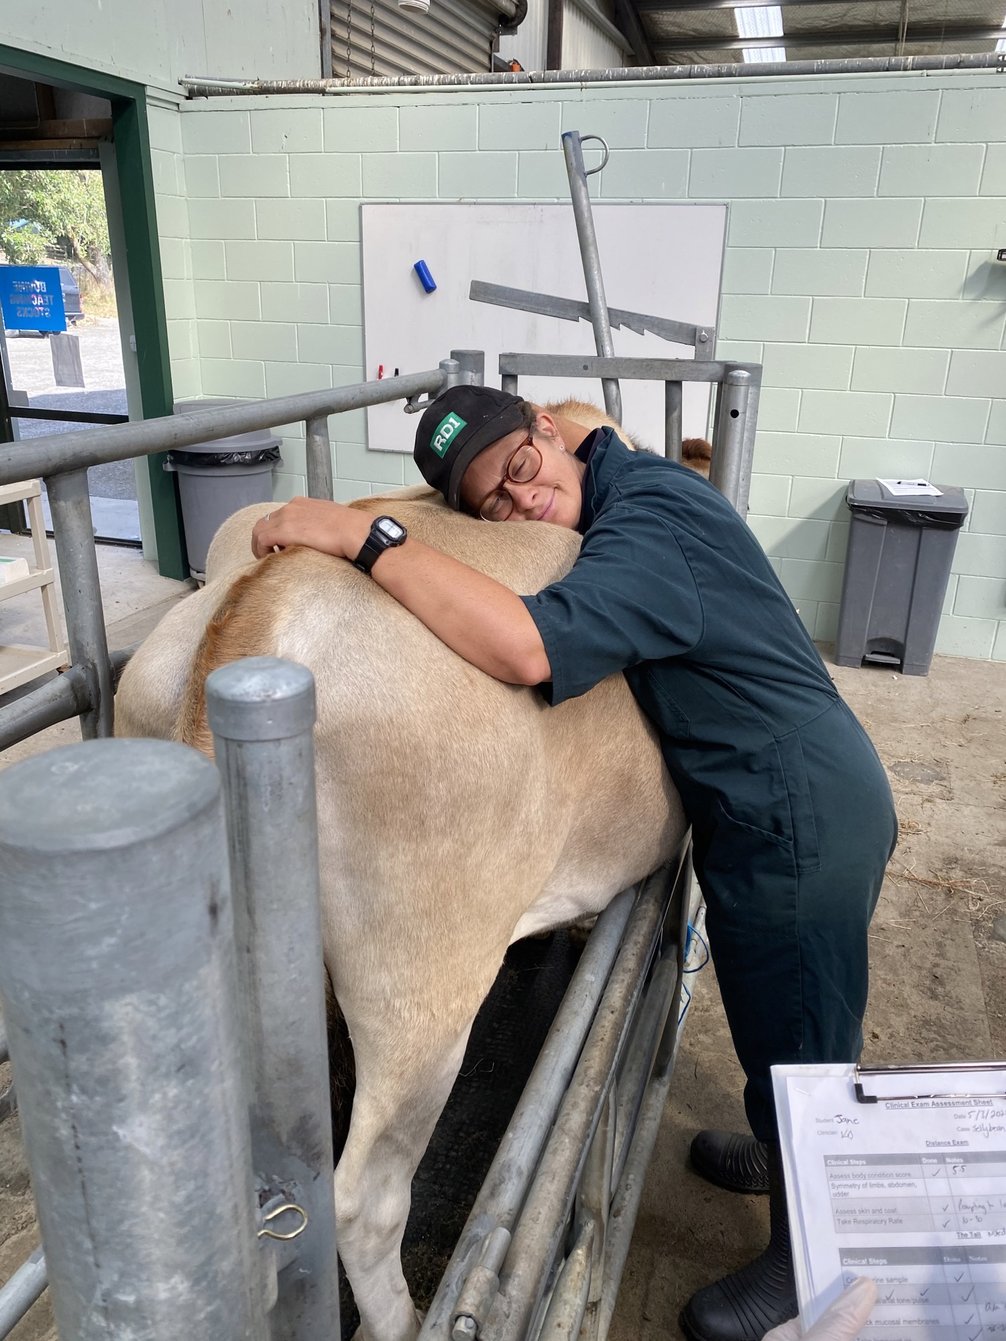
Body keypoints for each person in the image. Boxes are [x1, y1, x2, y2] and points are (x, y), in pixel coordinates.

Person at [251, 385, 897, 1341]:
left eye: (521, 467)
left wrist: (364, 536)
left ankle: (809, 1260)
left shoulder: (649, 522)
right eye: (494, 504)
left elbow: (525, 647)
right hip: (758, 796)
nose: (523, 501)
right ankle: (781, 1148)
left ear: (548, 430)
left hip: (800, 807)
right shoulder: (624, 485)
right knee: (776, 1010)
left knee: (805, 1018)